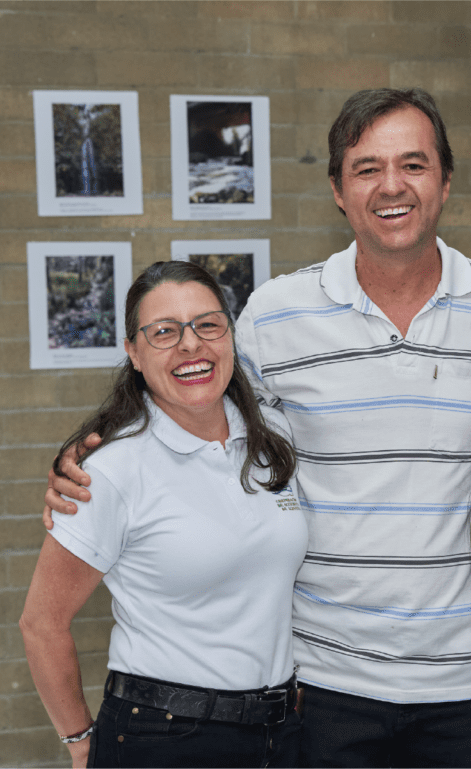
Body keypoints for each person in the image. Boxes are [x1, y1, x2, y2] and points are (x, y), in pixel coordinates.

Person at [45, 88, 471, 768]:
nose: (392, 186)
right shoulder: (274, 315)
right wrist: (93, 449)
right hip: (326, 686)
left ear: (446, 179)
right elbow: (198, 401)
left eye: (413, 164)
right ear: (336, 189)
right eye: (366, 167)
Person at [22, 261, 306, 768]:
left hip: (279, 733)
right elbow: (42, 624)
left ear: (230, 335)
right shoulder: (110, 471)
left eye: (207, 324)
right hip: (162, 736)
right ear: (132, 352)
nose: (191, 344)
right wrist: (80, 740)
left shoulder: (273, 441)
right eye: (164, 332)